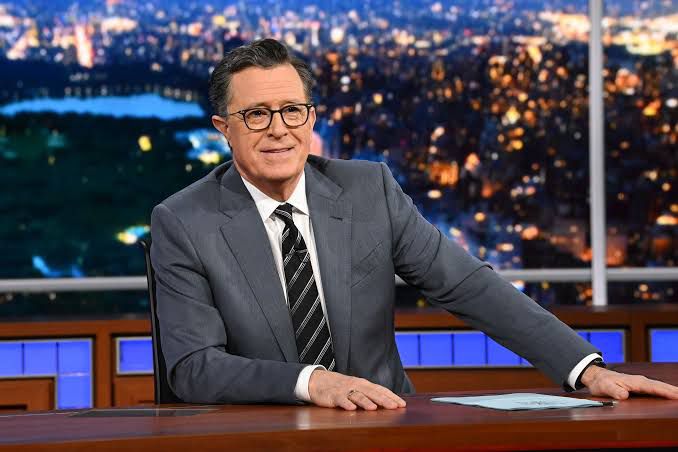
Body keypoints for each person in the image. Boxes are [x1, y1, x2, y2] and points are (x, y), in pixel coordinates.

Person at [150, 38, 678, 411]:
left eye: (292, 110)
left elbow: (468, 285)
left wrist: (584, 369)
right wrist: (311, 383)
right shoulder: (183, 221)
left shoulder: (369, 189)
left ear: (311, 118)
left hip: (384, 424)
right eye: (256, 114)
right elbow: (194, 368)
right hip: (263, 434)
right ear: (223, 128)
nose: (278, 130)